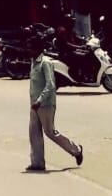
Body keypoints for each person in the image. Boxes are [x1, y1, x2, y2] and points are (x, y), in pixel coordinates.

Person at [27, 32, 83, 173]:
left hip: (45, 104)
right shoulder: (33, 62)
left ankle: (75, 150)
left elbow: (50, 85)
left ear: (37, 48)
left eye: (31, 48)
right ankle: (37, 163)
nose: (29, 50)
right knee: (34, 133)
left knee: (50, 132)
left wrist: (39, 100)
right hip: (34, 104)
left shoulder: (46, 63)